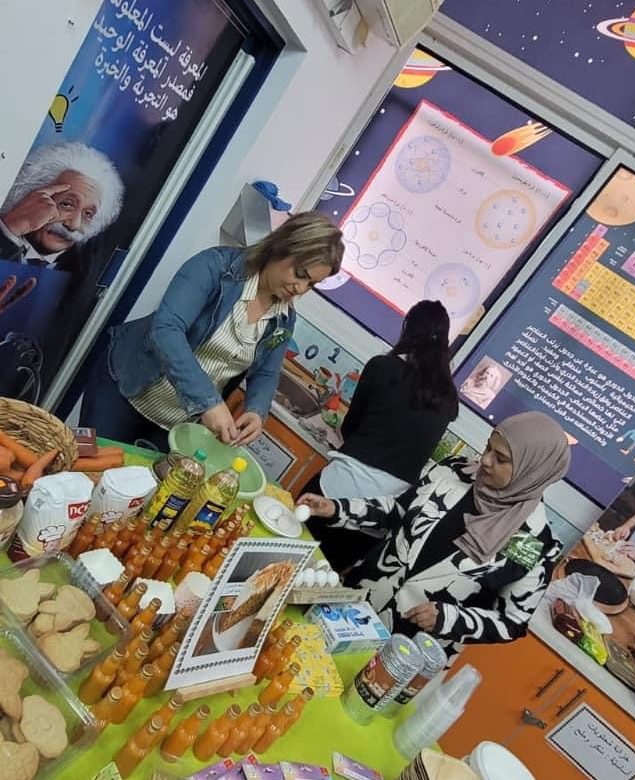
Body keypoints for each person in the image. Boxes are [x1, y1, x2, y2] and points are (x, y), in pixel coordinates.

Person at [298, 412, 570, 664]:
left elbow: (512, 621)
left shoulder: (533, 542)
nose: (486, 460)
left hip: (406, 652)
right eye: (488, 447)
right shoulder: (454, 472)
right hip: (353, 605)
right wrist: (337, 508)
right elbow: (397, 510)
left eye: (500, 459)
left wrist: (449, 619)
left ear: (532, 471)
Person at [79, 212, 344, 449]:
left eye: (311, 284)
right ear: (280, 247)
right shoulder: (214, 267)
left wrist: (256, 410)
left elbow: (267, 372)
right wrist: (207, 401)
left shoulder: (284, 319)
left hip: (175, 422)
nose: (300, 288)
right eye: (300, 274)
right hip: (125, 388)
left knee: (138, 483)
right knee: (82, 463)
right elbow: (166, 330)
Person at [304, 300, 458, 570]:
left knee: (276, 553)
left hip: (336, 488)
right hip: (376, 516)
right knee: (318, 581)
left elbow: (349, 428)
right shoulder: (448, 400)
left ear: (408, 329)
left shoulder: (382, 367)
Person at [0, 142, 124, 269]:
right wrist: (8, 230)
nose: (74, 225)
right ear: (29, 196)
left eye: (88, 214)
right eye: (66, 204)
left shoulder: (83, 270)